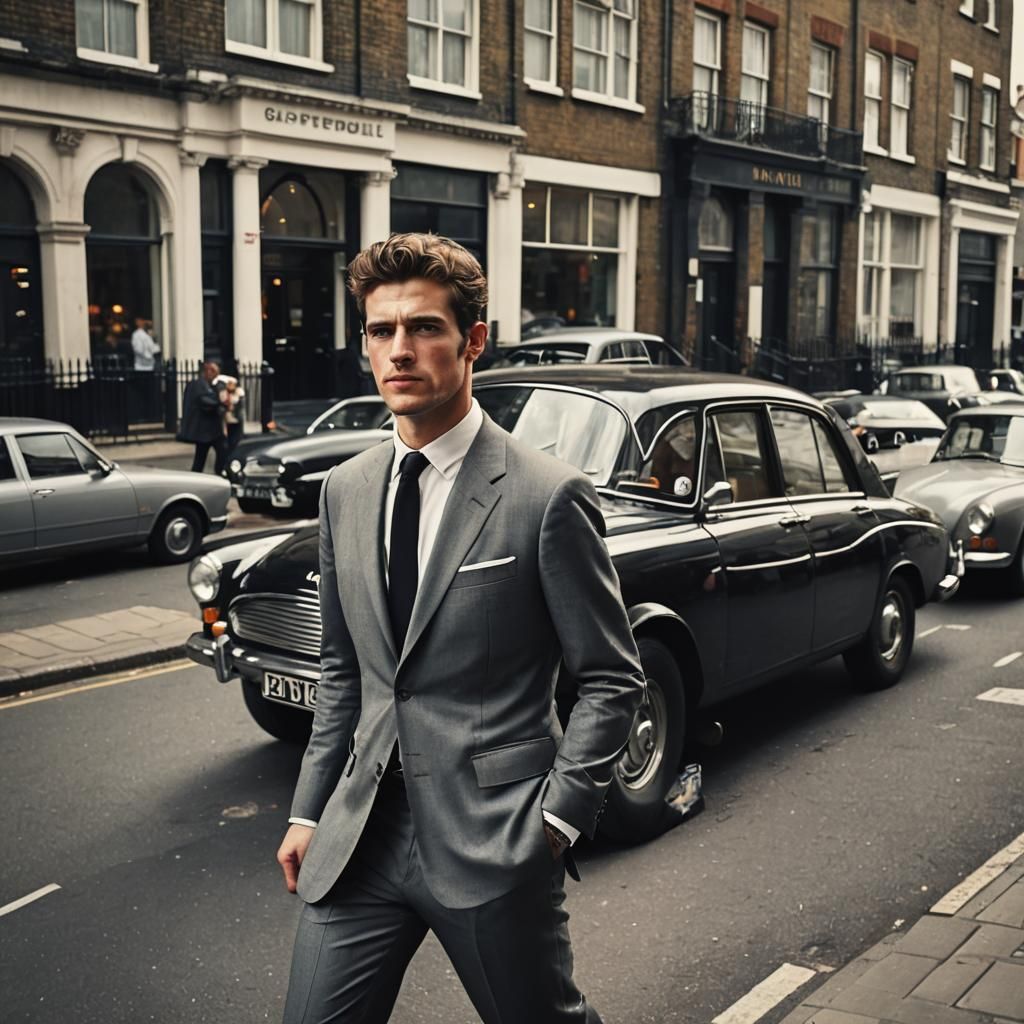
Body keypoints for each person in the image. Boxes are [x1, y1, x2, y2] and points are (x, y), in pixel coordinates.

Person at [276, 232, 646, 1024]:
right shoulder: (345, 489)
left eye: (424, 329)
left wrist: (557, 821)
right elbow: (347, 672)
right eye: (381, 331)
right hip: (362, 837)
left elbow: (612, 677)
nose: (399, 351)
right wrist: (310, 810)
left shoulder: (547, 496)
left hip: (493, 842)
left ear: (473, 340)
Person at [177, 361, 225, 473]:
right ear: (208, 371)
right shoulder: (198, 385)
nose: (216, 376)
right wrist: (221, 402)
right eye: (215, 372)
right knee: (216, 453)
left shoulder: (207, 385)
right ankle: (218, 474)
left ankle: (215, 473)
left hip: (208, 431)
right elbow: (206, 401)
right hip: (205, 431)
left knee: (203, 457)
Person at [214, 373, 245, 471]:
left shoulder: (238, 393)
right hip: (225, 423)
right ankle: (223, 466)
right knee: (225, 446)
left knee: (234, 444)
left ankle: (230, 465)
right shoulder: (223, 393)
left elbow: (237, 405)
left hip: (235, 422)